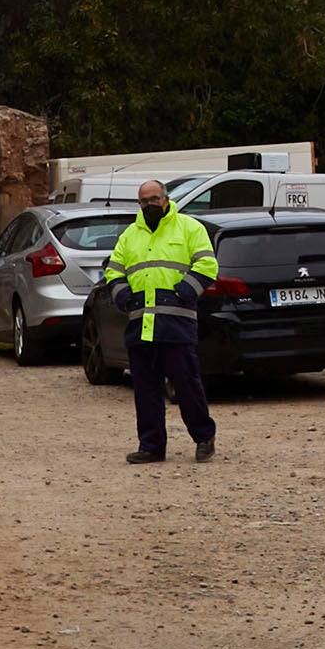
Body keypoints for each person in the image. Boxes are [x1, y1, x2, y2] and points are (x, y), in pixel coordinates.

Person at [106, 180, 219, 466]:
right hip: (140, 324)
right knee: (145, 391)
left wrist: (185, 292)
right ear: (139, 204)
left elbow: (207, 265)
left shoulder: (189, 228)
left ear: (166, 200)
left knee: (187, 385)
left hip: (176, 324)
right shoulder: (130, 235)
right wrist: (124, 297)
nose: (150, 205)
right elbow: (113, 271)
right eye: (144, 201)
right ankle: (151, 446)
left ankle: (204, 438)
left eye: (155, 199)